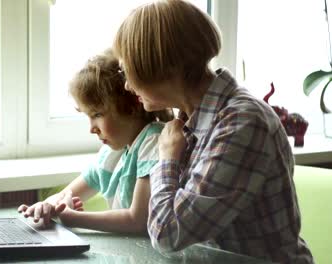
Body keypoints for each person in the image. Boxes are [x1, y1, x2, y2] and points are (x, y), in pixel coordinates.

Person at [112, 0, 314, 263]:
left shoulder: (242, 123)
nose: (127, 84)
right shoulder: (192, 119)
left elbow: (168, 234)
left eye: (128, 69)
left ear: (164, 65)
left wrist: (167, 159)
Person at [17, 49, 173, 233]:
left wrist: (75, 218)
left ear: (133, 105)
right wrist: (47, 206)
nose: (92, 128)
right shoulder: (113, 152)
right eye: (88, 116)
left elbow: (138, 220)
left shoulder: (154, 141)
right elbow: (67, 194)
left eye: (97, 114)